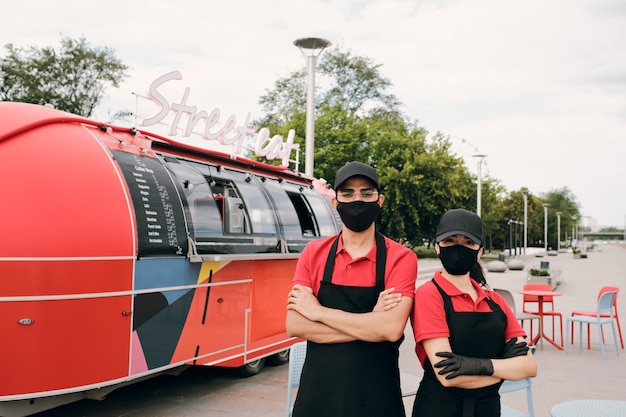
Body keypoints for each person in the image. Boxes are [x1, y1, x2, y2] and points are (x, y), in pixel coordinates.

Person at [286, 161, 418, 417]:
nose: (357, 199)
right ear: (335, 202)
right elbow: (295, 325)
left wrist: (317, 312)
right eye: (347, 193)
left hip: (377, 398)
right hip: (318, 397)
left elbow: (390, 329)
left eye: (366, 193)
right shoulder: (314, 253)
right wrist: (371, 325)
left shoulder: (401, 258)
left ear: (379, 200)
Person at [410, 208, 537, 417]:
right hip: (438, 409)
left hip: (488, 411)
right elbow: (447, 375)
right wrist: (503, 370)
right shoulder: (429, 295)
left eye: (469, 243)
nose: (459, 248)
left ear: (480, 251)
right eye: (450, 240)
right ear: (437, 247)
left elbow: (528, 366)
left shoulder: (495, 300)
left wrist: (473, 365)